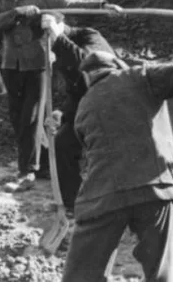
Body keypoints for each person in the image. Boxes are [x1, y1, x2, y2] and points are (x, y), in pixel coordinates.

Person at [60, 52, 173, 282]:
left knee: (81, 274)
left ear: (88, 77)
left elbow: (86, 150)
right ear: (117, 66)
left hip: (102, 196)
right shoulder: (139, 76)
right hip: (155, 189)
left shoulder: (84, 105)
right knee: (163, 271)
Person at [0, 0, 121, 188]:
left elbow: (70, 5)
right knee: (18, 116)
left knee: (31, 116)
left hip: (37, 64)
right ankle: (41, 165)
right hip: (11, 63)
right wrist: (17, 13)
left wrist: (102, 5)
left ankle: (26, 171)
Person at [43, 17, 116, 214]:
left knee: (103, 159)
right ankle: (72, 204)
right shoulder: (59, 50)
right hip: (86, 109)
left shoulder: (89, 36)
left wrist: (59, 40)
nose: (45, 44)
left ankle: (108, 206)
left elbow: (88, 63)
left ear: (60, 27)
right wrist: (62, 114)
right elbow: (76, 91)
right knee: (62, 145)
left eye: (47, 37)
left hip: (111, 109)